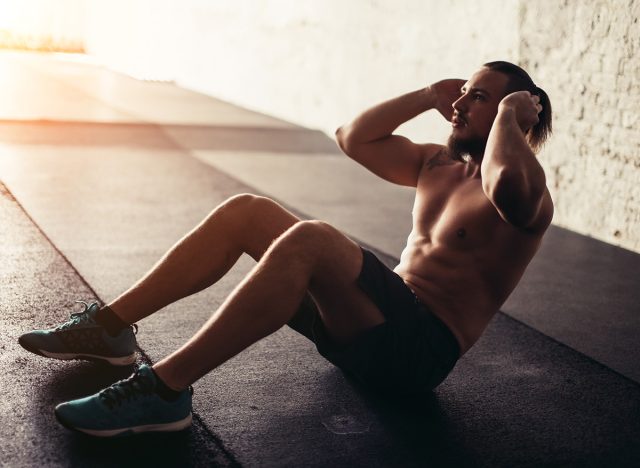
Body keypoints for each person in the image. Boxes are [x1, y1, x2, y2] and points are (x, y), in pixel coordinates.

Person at [19, 60, 553, 437]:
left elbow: (505, 188)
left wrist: (508, 115)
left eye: (476, 96)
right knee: (247, 210)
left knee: (312, 239)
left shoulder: (527, 192)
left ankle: (162, 391)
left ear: (515, 114)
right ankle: (111, 325)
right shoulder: (436, 164)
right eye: (465, 91)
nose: (460, 103)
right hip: (364, 326)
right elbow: (352, 137)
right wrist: (426, 95)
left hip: (415, 356)